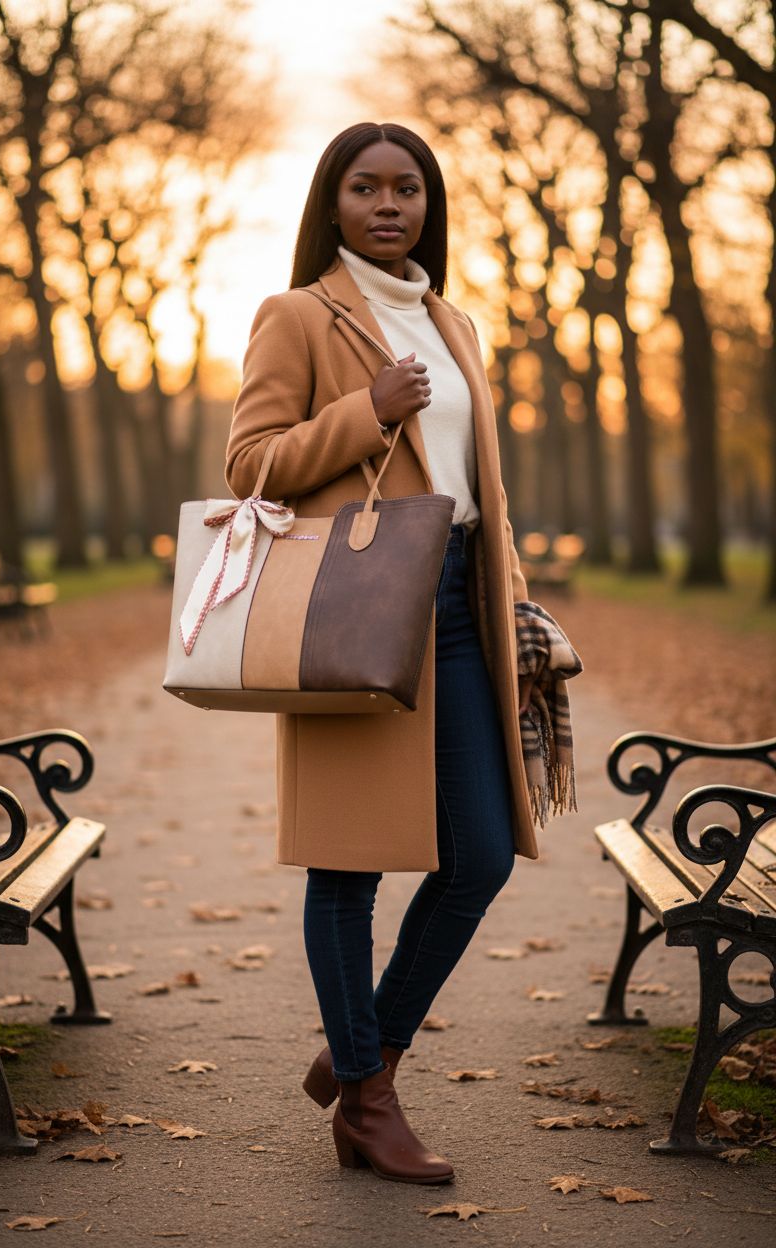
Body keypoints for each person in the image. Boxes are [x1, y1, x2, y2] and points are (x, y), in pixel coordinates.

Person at [225, 121, 575, 1185]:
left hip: (461, 609)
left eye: (407, 188)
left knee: (474, 857)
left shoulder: (451, 320)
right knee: (347, 864)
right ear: (332, 203)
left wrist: (518, 609)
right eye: (366, 187)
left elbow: (480, 493)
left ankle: (359, 1044)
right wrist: (362, 413)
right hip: (354, 612)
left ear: (430, 204)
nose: (389, 205)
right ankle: (369, 1106)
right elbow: (249, 469)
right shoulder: (296, 316)